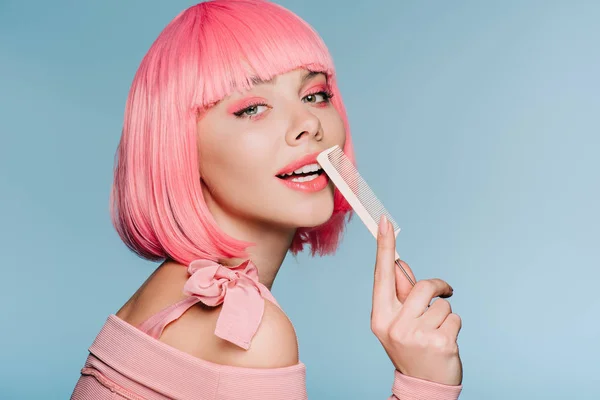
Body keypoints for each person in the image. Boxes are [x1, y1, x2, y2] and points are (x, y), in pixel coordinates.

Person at [71, 0, 463, 398]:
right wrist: (425, 383)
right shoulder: (247, 332)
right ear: (179, 146)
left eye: (314, 95)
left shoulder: (162, 294)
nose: (309, 124)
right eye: (253, 108)